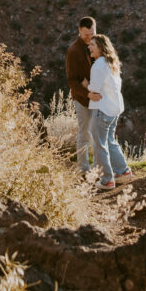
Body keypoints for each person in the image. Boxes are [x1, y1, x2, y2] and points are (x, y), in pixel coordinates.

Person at [87, 33, 132, 190]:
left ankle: (107, 180)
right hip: (114, 109)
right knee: (110, 140)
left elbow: (94, 89)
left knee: (100, 144)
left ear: (100, 47)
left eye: (92, 45)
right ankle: (123, 171)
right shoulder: (111, 63)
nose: (89, 47)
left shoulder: (98, 65)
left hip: (102, 109)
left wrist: (86, 87)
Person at [65, 16, 96, 173]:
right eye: (86, 35)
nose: (89, 38)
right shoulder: (73, 51)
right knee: (84, 135)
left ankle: (99, 168)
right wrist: (87, 93)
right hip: (83, 100)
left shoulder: (97, 45)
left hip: (98, 98)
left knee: (98, 135)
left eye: (92, 34)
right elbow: (71, 81)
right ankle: (83, 169)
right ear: (79, 31)